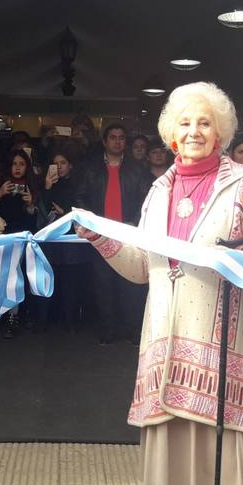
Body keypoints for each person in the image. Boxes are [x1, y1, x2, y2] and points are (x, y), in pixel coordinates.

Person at [77, 82, 243, 485]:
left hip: (225, 352)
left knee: (233, 469)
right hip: (167, 350)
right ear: (171, 132)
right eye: (185, 122)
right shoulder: (158, 190)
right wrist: (99, 237)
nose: (194, 131)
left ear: (221, 132)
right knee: (183, 476)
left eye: (205, 122)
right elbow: (142, 268)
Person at [79, 122, 149, 344]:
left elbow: (146, 202)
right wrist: (93, 224)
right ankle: (107, 332)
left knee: (130, 285)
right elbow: (80, 198)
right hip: (101, 237)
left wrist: (134, 223)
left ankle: (133, 332)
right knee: (102, 285)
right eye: (113, 137)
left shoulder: (138, 170)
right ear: (104, 141)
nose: (118, 141)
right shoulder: (91, 169)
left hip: (128, 235)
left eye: (121, 137)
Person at [0, 148, 39, 337]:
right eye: (14, 164)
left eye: (21, 164)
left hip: (19, 238)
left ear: (27, 166)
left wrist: (30, 206)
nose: (17, 168)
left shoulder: (31, 187)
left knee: (14, 279)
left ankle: (13, 317)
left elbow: (34, 224)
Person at [38, 148, 86, 331]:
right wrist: (47, 187)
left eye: (63, 163)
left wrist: (64, 214)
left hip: (69, 239)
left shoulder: (77, 185)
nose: (59, 167)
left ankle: (69, 321)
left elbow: (82, 211)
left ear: (71, 165)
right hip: (49, 240)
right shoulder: (45, 184)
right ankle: (44, 320)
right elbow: (40, 211)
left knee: (69, 283)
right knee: (48, 278)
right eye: (55, 164)